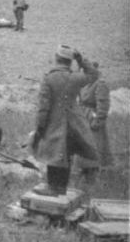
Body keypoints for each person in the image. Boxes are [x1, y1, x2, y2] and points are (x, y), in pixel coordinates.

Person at [31, 45, 99, 196]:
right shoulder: (75, 77)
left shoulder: (49, 78)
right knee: (66, 154)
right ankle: (61, 187)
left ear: (56, 59)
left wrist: (40, 127)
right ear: (70, 62)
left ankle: (53, 188)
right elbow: (94, 74)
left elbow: (43, 107)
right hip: (74, 124)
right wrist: (80, 59)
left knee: (53, 154)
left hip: (54, 123)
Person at [76, 62, 113, 175]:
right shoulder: (86, 84)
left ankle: (94, 171)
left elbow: (103, 105)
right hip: (84, 118)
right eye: (86, 72)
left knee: (95, 145)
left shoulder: (100, 84)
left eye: (90, 72)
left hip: (93, 118)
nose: (87, 75)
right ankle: (85, 169)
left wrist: (97, 122)